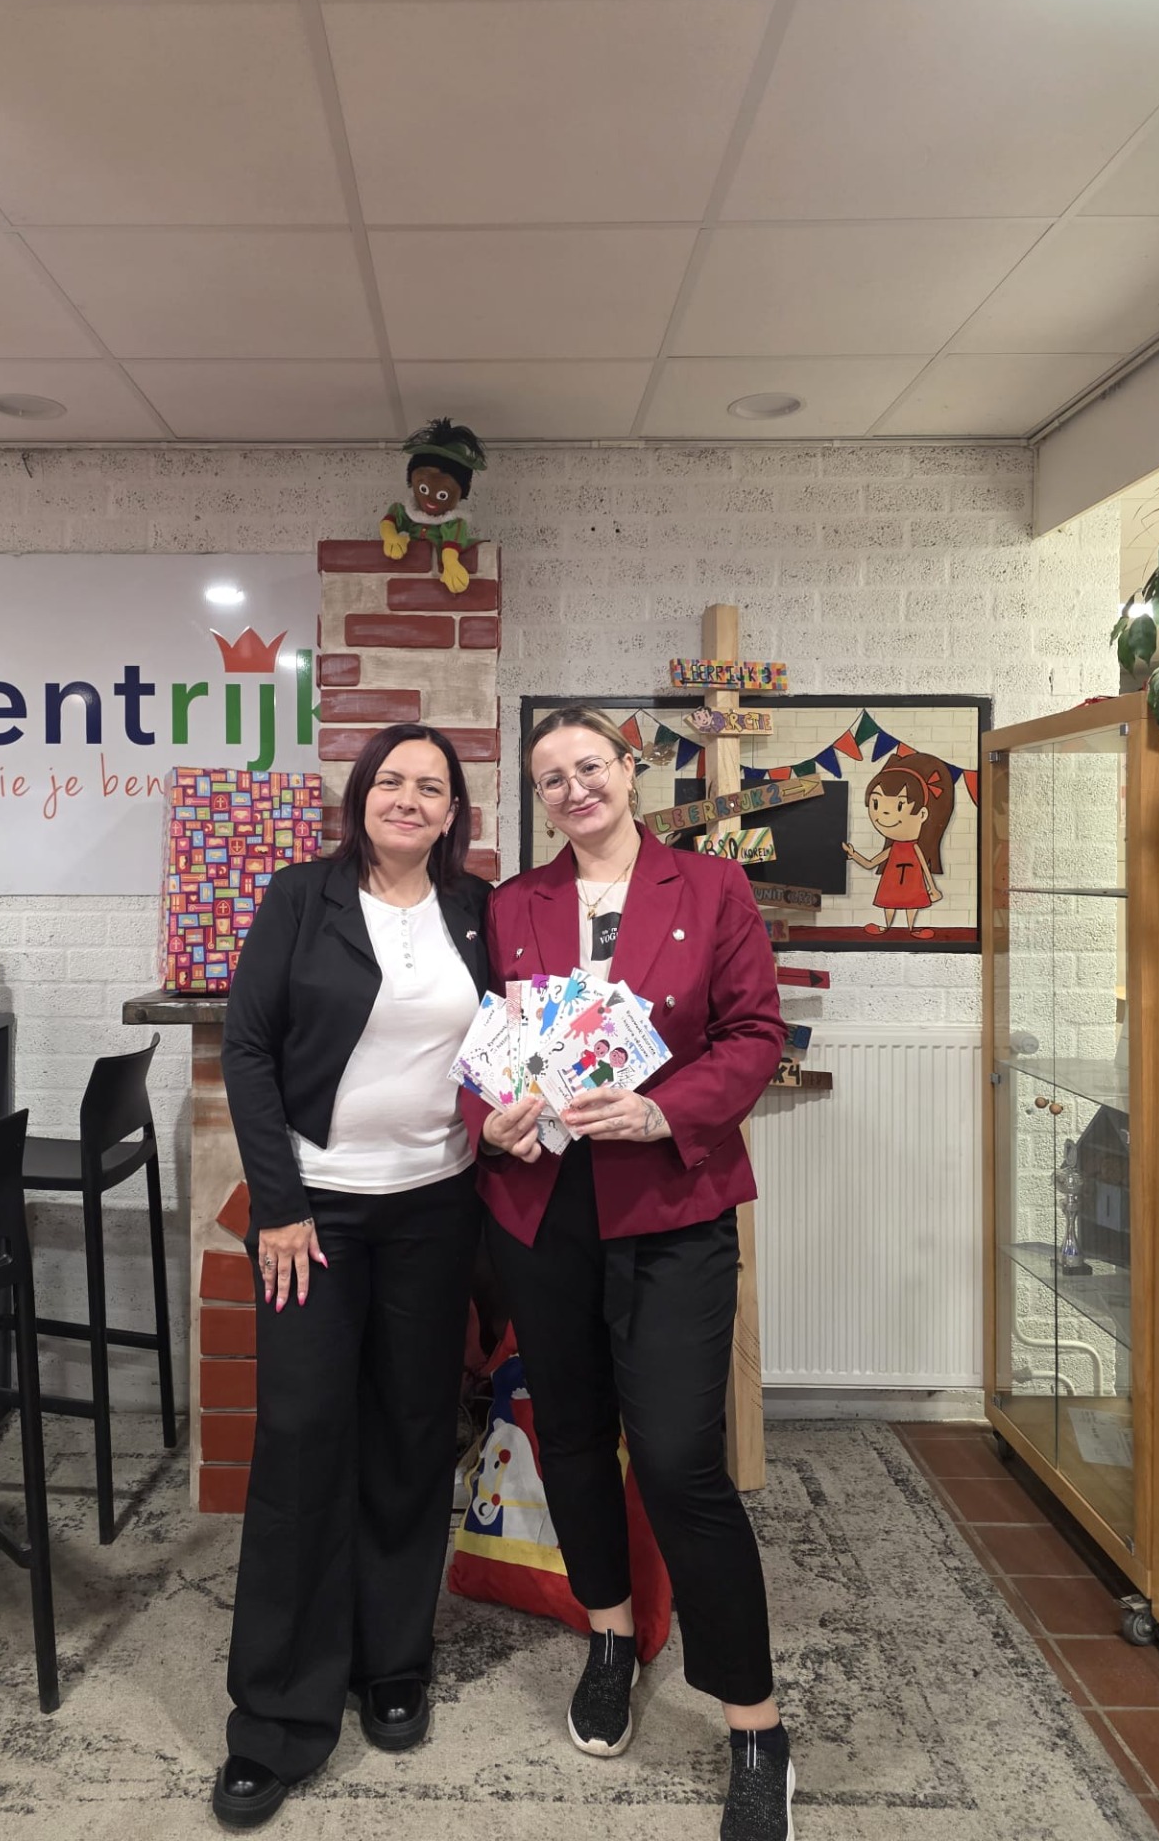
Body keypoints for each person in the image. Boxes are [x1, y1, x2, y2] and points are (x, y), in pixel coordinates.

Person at [471, 706, 794, 1841]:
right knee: (568, 1435)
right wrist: (487, 1119)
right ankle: (609, 1634)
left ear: (629, 771)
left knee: (676, 1460)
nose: (574, 789)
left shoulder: (710, 887)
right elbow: (481, 1049)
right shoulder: (513, 906)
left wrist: (663, 1112)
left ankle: (755, 1725)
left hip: (670, 1209)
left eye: (590, 767)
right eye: (550, 778)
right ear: (539, 799)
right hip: (542, 1210)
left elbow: (755, 1036)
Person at [214, 723, 489, 1829]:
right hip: (315, 1217)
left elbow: (512, 1044)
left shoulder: (475, 910)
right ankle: (276, 1715)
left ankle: (392, 1663)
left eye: (432, 787)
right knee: (301, 1440)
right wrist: (278, 1205)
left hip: (437, 1207)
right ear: (362, 795)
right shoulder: (301, 898)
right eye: (392, 781)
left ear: (454, 810)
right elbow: (246, 1048)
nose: (409, 799)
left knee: (414, 1434)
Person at [842, 751, 954, 938]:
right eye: (876, 804)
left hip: (912, 883)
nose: (885, 814)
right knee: (889, 901)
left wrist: (932, 888)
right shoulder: (892, 849)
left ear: (922, 815)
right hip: (892, 883)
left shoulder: (915, 848)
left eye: (900, 806)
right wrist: (854, 855)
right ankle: (887, 926)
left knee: (912, 901)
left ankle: (911, 928)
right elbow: (870, 863)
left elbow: (924, 867)